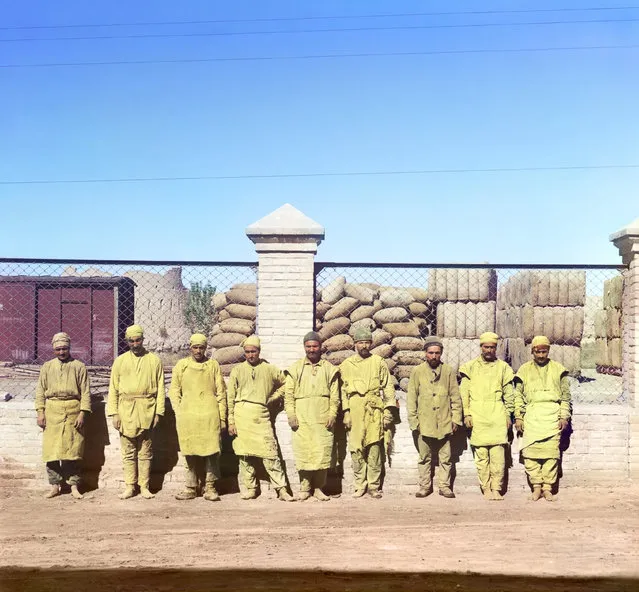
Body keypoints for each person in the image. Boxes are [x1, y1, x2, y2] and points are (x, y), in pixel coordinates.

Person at [227, 335, 294, 502]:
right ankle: (251, 488)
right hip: (241, 414)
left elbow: (287, 383)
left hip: (261, 414)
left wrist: (273, 398)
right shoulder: (237, 370)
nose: (250, 355)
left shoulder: (269, 369)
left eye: (253, 351)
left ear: (259, 351)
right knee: (244, 455)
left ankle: (281, 489)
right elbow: (230, 397)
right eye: (247, 352)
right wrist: (231, 421)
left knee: (271, 453)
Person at [107, 324, 165, 500]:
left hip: (147, 408)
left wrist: (158, 413)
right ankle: (130, 486)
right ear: (127, 342)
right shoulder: (120, 361)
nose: (135, 344)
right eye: (131, 341)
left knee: (145, 451)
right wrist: (114, 414)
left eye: (137, 340)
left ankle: (144, 486)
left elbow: (161, 388)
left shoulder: (154, 360)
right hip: (126, 410)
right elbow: (113, 389)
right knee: (128, 451)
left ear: (143, 340)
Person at [169, 333, 227, 502]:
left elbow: (221, 393)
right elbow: (174, 391)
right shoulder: (181, 366)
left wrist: (221, 417)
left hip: (210, 415)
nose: (198, 351)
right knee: (189, 451)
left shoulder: (213, 365)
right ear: (190, 348)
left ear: (206, 348)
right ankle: (190, 487)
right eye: (195, 347)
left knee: (211, 452)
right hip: (188, 416)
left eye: (201, 347)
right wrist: (179, 411)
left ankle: (210, 487)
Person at [339, 327, 396, 499]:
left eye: (366, 342)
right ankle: (359, 484)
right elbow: (343, 391)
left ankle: (373, 485)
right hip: (355, 408)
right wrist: (346, 412)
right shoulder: (347, 365)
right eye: (360, 342)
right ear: (354, 344)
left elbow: (388, 388)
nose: (363, 345)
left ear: (371, 343)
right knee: (356, 447)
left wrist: (388, 412)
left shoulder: (378, 362)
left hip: (374, 408)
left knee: (374, 447)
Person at [514, 335, 572, 502]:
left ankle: (548, 488)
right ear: (532, 351)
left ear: (548, 351)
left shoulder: (558, 369)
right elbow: (518, 396)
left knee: (551, 455)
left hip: (552, 416)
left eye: (544, 352)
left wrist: (563, 416)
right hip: (531, 416)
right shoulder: (524, 370)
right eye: (537, 352)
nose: (541, 355)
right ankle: (536, 487)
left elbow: (566, 398)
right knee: (530, 455)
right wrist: (519, 417)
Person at [284, 331, 340, 501]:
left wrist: (332, 413)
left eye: (315, 346)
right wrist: (291, 414)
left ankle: (318, 488)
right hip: (302, 415)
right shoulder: (295, 369)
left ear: (320, 347)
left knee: (322, 451)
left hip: (322, 415)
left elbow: (335, 396)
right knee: (304, 451)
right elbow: (288, 395)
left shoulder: (330, 369)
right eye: (308, 346)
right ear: (304, 347)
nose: (311, 349)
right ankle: (305, 487)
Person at [459, 332, 514, 501]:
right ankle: (486, 488)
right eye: (486, 347)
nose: (489, 350)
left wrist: (508, 415)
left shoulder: (503, 368)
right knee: (481, 456)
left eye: (492, 347)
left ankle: (497, 488)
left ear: (496, 348)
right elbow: (464, 393)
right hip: (477, 414)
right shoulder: (469, 367)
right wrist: (466, 414)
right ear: (481, 347)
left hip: (497, 413)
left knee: (498, 456)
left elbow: (509, 394)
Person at [35, 332, 91, 499]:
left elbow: (86, 393)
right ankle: (55, 485)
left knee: (72, 450)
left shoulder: (79, 367)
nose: (61, 352)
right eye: (58, 349)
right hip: (52, 411)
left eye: (64, 349)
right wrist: (40, 412)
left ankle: (74, 486)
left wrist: (82, 413)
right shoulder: (47, 367)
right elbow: (39, 392)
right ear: (53, 350)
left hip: (73, 410)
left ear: (69, 348)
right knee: (51, 451)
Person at [407, 336, 462, 499]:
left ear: (441, 353)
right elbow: (411, 398)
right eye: (431, 353)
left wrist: (455, 419)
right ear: (425, 353)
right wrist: (414, 422)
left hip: (444, 421)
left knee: (446, 458)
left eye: (437, 353)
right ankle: (425, 486)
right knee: (424, 457)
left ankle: (444, 486)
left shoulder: (448, 371)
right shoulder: (417, 372)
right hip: (424, 423)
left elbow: (455, 397)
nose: (434, 356)